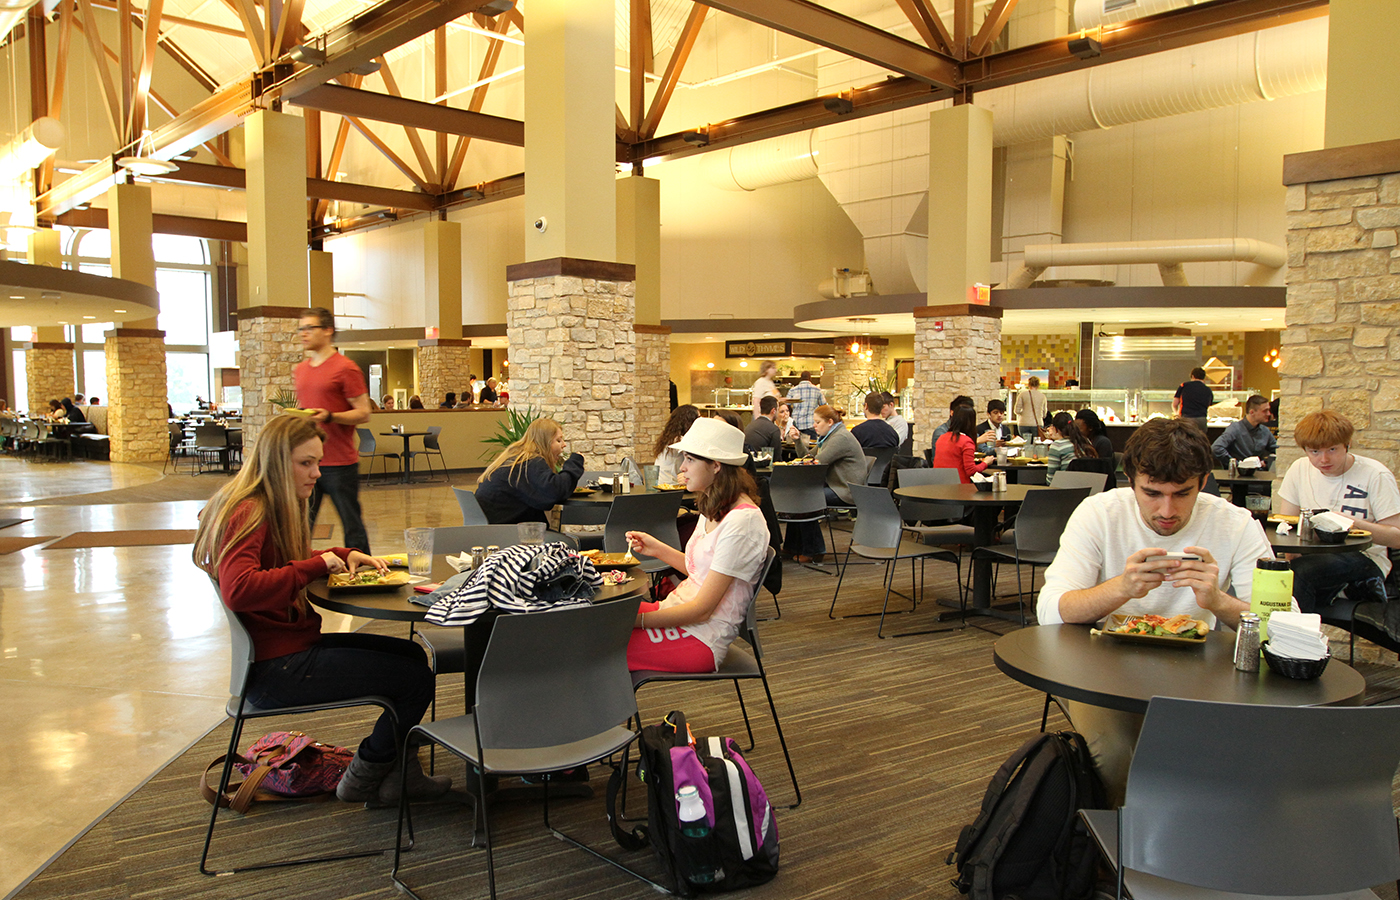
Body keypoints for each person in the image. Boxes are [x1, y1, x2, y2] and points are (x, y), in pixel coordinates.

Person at [192, 414, 449, 804]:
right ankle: (363, 777)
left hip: (282, 655)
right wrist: (316, 565)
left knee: (414, 655)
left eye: (318, 462)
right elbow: (240, 589)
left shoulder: (261, 504)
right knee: (414, 681)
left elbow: (279, 561)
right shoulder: (249, 511)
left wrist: (339, 554)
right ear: (277, 462)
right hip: (276, 670)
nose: (317, 473)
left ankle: (400, 776)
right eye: (306, 463)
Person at [1037, 418, 1273, 799]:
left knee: (1247, 756)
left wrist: (1218, 601)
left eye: (1182, 493)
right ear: (1131, 480)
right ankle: (1123, 853)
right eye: (1152, 493)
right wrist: (1122, 588)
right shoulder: (1099, 513)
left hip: (1198, 675)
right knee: (1118, 756)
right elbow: (1050, 610)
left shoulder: (1236, 524)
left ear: (1204, 482)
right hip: (1100, 671)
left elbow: (1282, 624)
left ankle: (1194, 848)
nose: (1167, 509)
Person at [624, 418, 768, 673]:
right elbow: (701, 573)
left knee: (598, 648)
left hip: (701, 637)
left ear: (715, 466)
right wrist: (658, 548)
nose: (682, 467)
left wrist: (637, 621)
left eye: (690, 459)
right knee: (593, 624)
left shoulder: (743, 522)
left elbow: (702, 611)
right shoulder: (717, 503)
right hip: (680, 613)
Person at [1276, 410, 1400, 612]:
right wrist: (1291, 555)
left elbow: (1397, 537)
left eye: (1332, 449)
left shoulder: (1375, 474)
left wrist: (1352, 524)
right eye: (1314, 452)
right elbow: (1287, 523)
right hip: (1313, 555)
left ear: (1347, 445)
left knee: (1301, 573)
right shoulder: (1299, 469)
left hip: (1365, 556)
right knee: (1276, 572)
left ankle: (1300, 637)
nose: (1323, 459)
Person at [294, 308, 372, 553]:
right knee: (299, 526)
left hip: (339, 463)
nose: (304, 334)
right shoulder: (301, 370)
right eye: (301, 329)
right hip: (306, 462)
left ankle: (363, 573)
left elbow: (363, 412)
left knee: (352, 526)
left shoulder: (345, 368)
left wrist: (330, 416)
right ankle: (297, 572)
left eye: (310, 328)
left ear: (328, 331)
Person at [475, 418, 584, 524]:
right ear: (545, 442)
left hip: (491, 528)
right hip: (508, 532)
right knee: (568, 542)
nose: (564, 444)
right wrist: (575, 462)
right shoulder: (530, 462)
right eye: (558, 440)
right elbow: (554, 492)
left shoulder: (516, 458)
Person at [1211, 394, 1277, 467]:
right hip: (1238, 475)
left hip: (1259, 474)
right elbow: (1216, 448)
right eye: (1265, 411)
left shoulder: (1265, 431)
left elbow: (1277, 450)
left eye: (1269, 410)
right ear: (1252, 412)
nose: (1269, 414)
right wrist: (1236, 464)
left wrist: (1266, 462)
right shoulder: (1235, 428)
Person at [932, 406, 993, 484]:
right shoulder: (966, 442)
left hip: (939, 485)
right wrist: (986, 463)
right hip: (960, 488)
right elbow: (971, 471)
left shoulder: (941, 438)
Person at [654, 405, 701, 486]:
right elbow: (699, 457)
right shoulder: (680, 441)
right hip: (672, 486)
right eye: (699, 418)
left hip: (662, 483)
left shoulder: (670, 438)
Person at [1044, 411, 1095, 485]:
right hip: (1087, 488)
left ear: (1055, 429)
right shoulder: (1086, 441)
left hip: (1065, 490)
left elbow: (1051, 481)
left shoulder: (1057, 446)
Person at [785, 371, 826, 439]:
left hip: (795, 424)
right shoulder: (817, 390)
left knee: (796, 447)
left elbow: (787, 406)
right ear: (810, 378)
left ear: (800, 378)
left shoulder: (792, 390)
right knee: (810, 447)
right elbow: (823, 406)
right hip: (811, 425)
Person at [1172, 367, 1214, 432]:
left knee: (1186, 440)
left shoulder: (1184, 386)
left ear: (1192, 376)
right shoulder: (1208, 389)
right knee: (1200, 440)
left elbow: (1175, 404)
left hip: (1187, 420)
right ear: (1204, 377)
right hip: (1202, 420)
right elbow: (1209, 405)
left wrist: (1176, 414)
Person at [1014, 376, 1046, 441]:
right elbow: (1044, 413)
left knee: (1025, 444)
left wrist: (1024, 413)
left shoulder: (1022, 394)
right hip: (1037, 424)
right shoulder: (1042, 396)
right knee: (1036, 445)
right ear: (1038, 385)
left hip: (1023, 423)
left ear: (1028, 384)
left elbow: (1016, 410)